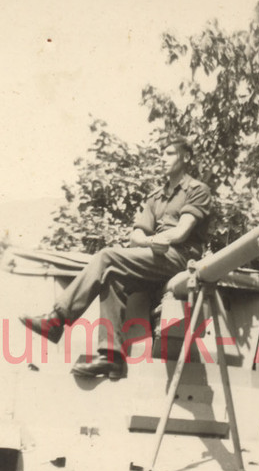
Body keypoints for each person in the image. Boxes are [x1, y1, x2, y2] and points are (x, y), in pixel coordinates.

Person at [21, 136, 212, 379]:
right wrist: (152, 241)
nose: (162, 158)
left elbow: (182, 231)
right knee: (113, 278)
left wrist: (158, 241)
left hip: (181, 259)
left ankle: (57, 319)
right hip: (157, 257)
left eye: (169, 153)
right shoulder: (156, 196)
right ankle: (112, 358)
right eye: (161, 153)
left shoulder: (197, 190)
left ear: (185, 157)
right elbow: (136, 236)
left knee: (107, 257)